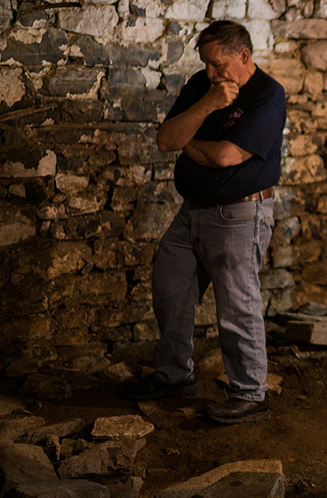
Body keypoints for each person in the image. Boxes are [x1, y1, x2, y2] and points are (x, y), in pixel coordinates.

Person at [116, 21, 285, 425]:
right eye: (206, 64)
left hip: (239, 215)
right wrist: (208, 104)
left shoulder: (268, 94)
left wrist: (185, 141)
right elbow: (164, 140)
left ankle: (250, 394)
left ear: (243, 56)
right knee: (170, 289)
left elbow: (225, 156)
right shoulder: (201, 87)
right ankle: (175, 374)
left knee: (236, 307)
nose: (211, 72)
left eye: (218, 64)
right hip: (192, 210)